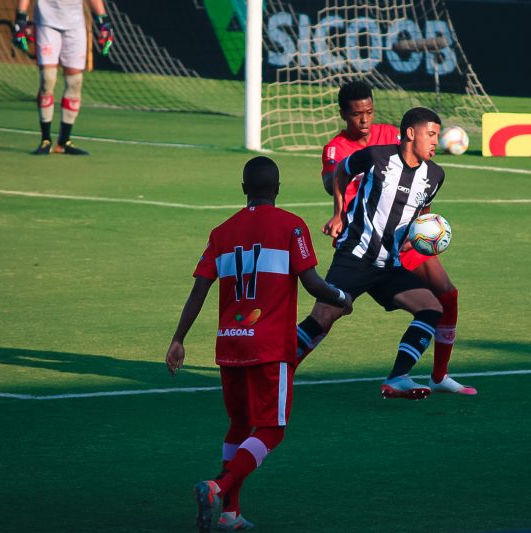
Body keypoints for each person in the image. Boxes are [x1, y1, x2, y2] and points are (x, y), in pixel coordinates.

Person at [165, 156, 352, 532]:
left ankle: (230, 513)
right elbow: (312, 283)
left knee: (239, 424)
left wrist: (178, 339)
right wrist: (341, 298)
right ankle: (218, 487)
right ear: (277, 189)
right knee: (271, 429)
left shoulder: (222, 231)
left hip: (230, 346)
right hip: (270, 348)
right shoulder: (291, 226)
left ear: (244, 190)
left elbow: (199, 290)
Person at [305, 81, 476, 396]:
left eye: (369, 112)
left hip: (399, 244)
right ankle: (278, 366)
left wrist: (421, 230)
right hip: (362, 240)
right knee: (330, 312)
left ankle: (434, 375)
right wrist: (341, 213)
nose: (365, 120)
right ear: (344, 114)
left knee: (444, 298)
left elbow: (420, 184)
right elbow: (335, 180)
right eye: (358, 114)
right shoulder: (343, 148)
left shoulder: (403, 145)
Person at [12, 0, 114, 155]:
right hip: (46, 22)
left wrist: (104, 21)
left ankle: (64, 142)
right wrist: (21, 17)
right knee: (47, 79)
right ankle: (45, 140)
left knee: (75, 82)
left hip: (75, 24)